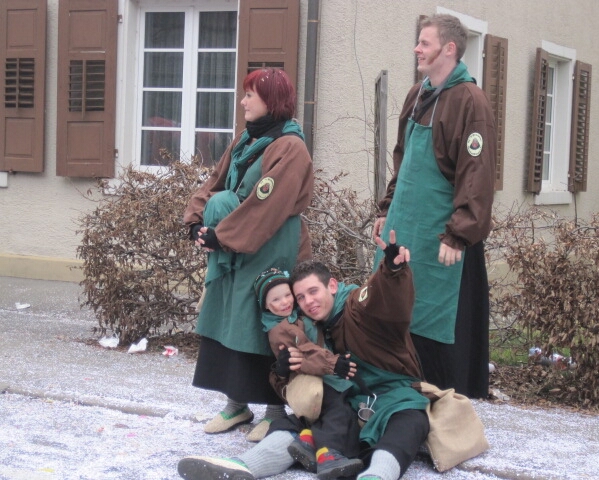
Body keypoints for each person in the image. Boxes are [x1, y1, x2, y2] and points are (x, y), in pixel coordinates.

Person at [177, 230, 430, 480]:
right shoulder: (306, 327)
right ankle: (242, 467)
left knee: (411, 422)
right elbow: (301, 384)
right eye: (300, 297)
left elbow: (384, 298)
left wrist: (393, 271)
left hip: (394, 397)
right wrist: (283, 370)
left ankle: (377, 476)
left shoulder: (356, 306)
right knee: (295, 424)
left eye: (313, 291)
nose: (308, 301)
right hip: (346, 403)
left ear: (332, 285)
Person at [183, 67, 314, 442]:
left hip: (270, 244)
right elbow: (216, 181)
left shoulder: (290, 147)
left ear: (271, 101)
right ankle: (236, 405)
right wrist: (197, 223)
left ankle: (274, 412)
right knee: (229, 319)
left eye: (250, 95)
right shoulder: (246, 139)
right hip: (235, 246)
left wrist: (221, 236)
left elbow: (267, 204)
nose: (243, 102)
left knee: (267, 323)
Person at [373, 14, 496, 399]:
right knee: (395, 313)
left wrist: (459, 233)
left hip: (444, 240)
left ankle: (441, 411)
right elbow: (404, 159)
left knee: (437, 327)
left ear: (449, 49)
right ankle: (397, 403)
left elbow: (477, 173)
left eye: (424, 43)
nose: (417, 49)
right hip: (405, 228)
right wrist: (386, 210)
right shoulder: (417, 95)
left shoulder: (470, 101)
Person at [254, 267, 363, 479]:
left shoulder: (295, 316)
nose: (285, 302)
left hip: (320, 375)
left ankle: (307, 440)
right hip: (314, 379)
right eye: (276, 300)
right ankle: (328, 454)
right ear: (265, 306)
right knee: (338, 411)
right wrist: (333, 363)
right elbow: (304, 353)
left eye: (288, 295)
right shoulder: (281, 328)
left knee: (335, 410)